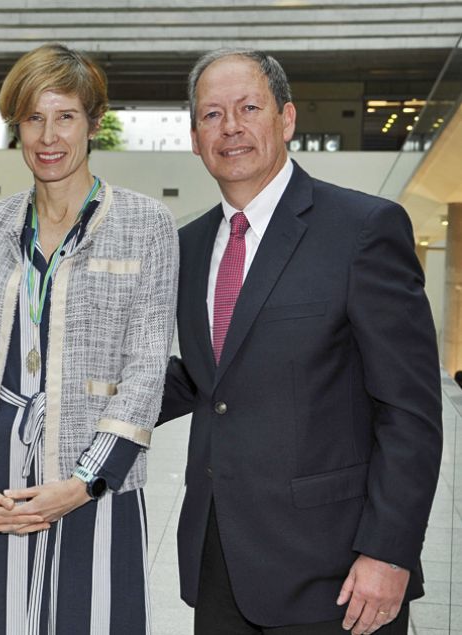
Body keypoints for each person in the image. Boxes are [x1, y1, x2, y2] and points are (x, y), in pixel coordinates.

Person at [160, 48, 442, 635]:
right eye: (211, 115)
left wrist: (388, 552)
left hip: (336, 575)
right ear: (193, 138)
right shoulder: (187, 246)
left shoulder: (364, 230)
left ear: (286, 119)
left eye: (249, 107)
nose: (230, 127)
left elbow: (409, 412)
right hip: (221, 566)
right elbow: (209, 376)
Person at [0, 43, 178, 633]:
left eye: (65, 116)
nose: (49, 136)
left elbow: (148, 368)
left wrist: (83, 482)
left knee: (90, 614)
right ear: (17, 126)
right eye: (33, 118)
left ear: (94, 123)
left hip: (93, 473)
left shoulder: (146, 225)